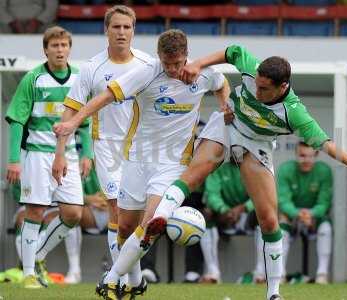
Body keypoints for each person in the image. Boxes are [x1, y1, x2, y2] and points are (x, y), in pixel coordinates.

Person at [122, 45, 347, 300]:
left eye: (263, 89)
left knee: (269, 220)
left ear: (283, 87)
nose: (256, 92)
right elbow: (231, 51)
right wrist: (198, 64)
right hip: (228, 125)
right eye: (256, 84)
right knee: (195, 174)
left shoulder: (294, 113)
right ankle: (161, 216)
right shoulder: (252, 67)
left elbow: (327, 144)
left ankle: (273, 291)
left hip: (256, 144)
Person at [52, 29, 229, 299]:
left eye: (178, 63)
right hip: (137, 159)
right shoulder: (147, 72)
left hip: (174, 164)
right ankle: (135, 283)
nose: (172, 69)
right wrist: (74, 122)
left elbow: (221, 83)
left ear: (186, 56)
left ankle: (111, 280)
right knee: (124, 227)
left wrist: (224, 105)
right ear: (159, 56)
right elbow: (107, 96)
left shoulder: (201, 74)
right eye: (167, 63)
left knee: (149, 224)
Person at [53, 4, 154, 289]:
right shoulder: (92, 67)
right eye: (116, 26)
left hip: (142, 149)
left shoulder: (148, 65)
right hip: (107, 147)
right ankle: (125, 281)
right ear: (106, 30)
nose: (121, 32)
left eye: (127, 27)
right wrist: (59, 154)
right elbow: (70, 111)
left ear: (134, 30)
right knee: (117, 212)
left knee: (135, 217)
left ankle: (131, 281)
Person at [5, 26, 93, 289]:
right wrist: (13, 160)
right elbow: (17, 121)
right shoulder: (33, 79)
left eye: (64, 45)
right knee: (35, 211)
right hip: (37, 155)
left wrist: (86, 153)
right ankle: (30, 272)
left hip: (69, 157)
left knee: (74, 214)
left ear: (69, 49)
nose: (59, 50)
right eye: (54, 46)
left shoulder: (79, 78)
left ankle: (38, 256)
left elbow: (84, 122)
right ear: (46, 50)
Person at [200, 161, 265, 284]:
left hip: (247, 215)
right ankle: (213, 272)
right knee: (205, 215)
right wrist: (223, 209)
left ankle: (261, 273)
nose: (236, 149)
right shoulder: (218, 168)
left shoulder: (255, 167)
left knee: (264, 214)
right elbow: (212, 195)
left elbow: (261, 195)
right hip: (224, 216)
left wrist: (243, 208)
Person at [277, 141, 333, 284]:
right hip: (292, 216)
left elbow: (324, 202)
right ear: (296, 154)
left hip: (314, 217)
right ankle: (279, 275)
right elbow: (283, 201)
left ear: (316, 154)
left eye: (310, 156)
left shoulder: (324, 171)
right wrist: (298, 214)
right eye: (302, 156)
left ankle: (322, 274)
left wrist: (311, 214)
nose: (306, 160)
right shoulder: (285, 169)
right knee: (280, 230)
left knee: (326, 228)